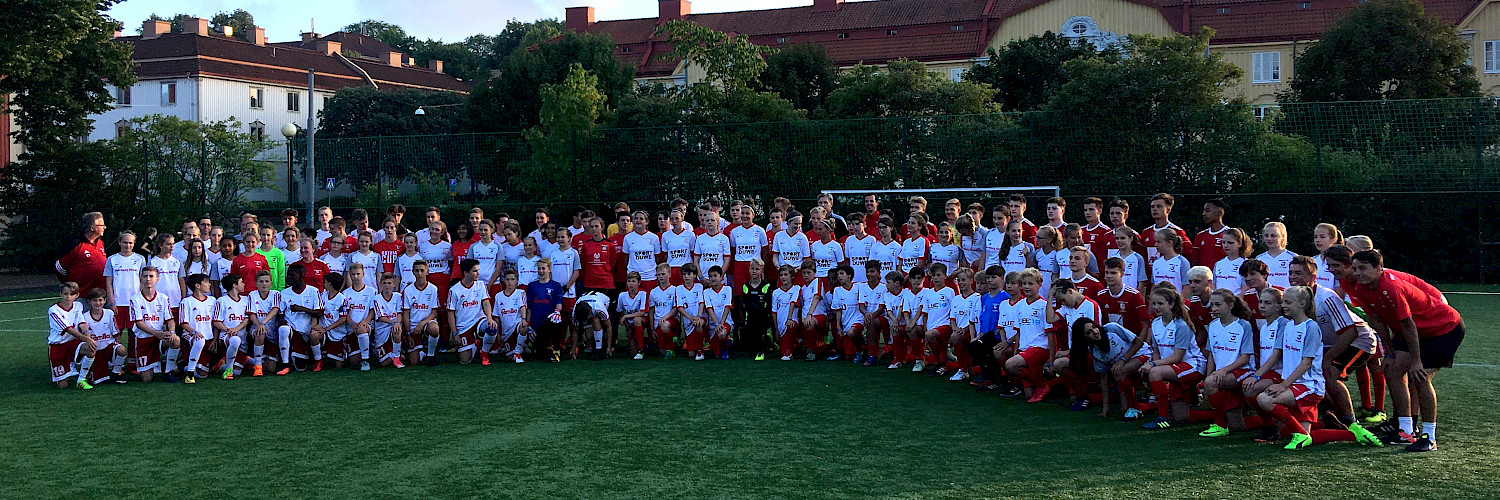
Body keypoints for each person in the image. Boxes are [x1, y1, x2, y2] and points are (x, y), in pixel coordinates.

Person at [1348, 250, 1463, 452]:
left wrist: (1416, 360)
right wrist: (1389, 354)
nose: (1357, 273)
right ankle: (1406, 431)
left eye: (1363, 268)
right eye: (1355, 268)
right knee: (1391, 371)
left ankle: (1429, 437)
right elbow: (1377, 321)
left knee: (1420, 377)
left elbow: (1408, 324)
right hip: (1412, 332)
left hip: (1443, 329)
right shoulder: (1362, 287)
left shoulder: (1391, 286)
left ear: (1379, 268)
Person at [1256, 286, 1381, 450]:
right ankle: (1350, 434)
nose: (1283, 306)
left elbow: (1306, 363)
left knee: (1264, 399)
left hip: (1309, 386)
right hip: (1294, 384)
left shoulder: (1311, 327)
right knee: (1290, 432)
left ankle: (1304, 433)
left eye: (1287, 302)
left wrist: (1283, 385)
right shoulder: (1286, 326)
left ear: (1301, 304)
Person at [1288, 255, 1377, 443]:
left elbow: (1350, 331)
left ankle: (1351, 422)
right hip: (1328, 343)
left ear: (1313, 276)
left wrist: (1328, 358)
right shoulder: (1294, 296)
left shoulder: (1326, 296)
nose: (1293, 277)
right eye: (1290, 273)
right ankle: (1332, 414)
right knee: (1314, 378)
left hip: (1359, 340)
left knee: (1330, 374)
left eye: (1298, 273)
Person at [1138, 285, 1205, 430]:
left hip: (1193, 365)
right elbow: (1156, 351)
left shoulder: (1181, 325)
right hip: (1174, 368)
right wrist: (1155, 363)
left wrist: (1154, 365)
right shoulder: (1155, 324)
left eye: (1160, 303)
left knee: (1154, 372)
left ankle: (1163, 418)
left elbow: (1177, 356)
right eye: (1154, 303)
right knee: (1182, 418)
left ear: (1171, 304)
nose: (1156, 307)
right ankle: (1216, 415)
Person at [1197, 289, 1256, 438]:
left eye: (1218, 304)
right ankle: (1262, 422)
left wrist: (1222, 372)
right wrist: (1209, 375)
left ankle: (1219, 425)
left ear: (1230, 305)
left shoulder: (1243, 325)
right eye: (1212, 305)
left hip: (1242, 371)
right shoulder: (1213, 325)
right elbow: (1212, 355)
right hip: (1222, 374)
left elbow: (1245, 357)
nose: (1214, 309)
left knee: (1212, 383)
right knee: (1237, 427)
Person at [1044, 278, 1103, 409]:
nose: (1062, 303)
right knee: (1059, 364)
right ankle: (1079, 393)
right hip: (1076, 352)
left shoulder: (1090, 305)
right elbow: (1050, 319)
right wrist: (1049, 297)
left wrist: (1069, 352)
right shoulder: (1067, 308)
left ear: (1070, 291)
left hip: (1090, 351)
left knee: (1060, 363)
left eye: (1063, 299)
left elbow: (1094, 336)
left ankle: (1082, 395)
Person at [1069, 318, 1138, 419]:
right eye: (1089, 332)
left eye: (1094, 327)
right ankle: (1136, 406)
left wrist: (1123, 360)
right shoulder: (1093, 350)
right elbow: (1103, 377)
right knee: (1124, 409)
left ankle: (1135, 406)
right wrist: (1105, 408)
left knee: (1118, 372)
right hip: (1122, 368)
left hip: (1141, 356)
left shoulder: (1111, 328)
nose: (1095, 332)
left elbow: (1138, 342)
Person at [1003, 269, 1051, 402]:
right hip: (1025, 348)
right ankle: (1042, 382)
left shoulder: (1044, 305)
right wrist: (1016, 350)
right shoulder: (1020, 305)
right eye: (1024, 284)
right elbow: (1019, 331)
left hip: (1040, 347)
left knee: (1010, 365)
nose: (1026, 287)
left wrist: (1051, 356)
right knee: (1028, 395)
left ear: (1039, 284)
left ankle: (1042, 385)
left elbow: (1050, 334)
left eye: (1030, 284)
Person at [130, 266, 180, 383]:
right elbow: (139, 323)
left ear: (157, 279)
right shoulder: (135, 299)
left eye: (151, 276)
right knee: (147, 379)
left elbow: (170, 319)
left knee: (175, 340)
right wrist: (157, 334)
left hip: (159, 338)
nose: (148, 279)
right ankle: (160, 363)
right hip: (143, 340)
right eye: (145, 276)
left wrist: (171, 332)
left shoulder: (163, 298)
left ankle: (169, 371)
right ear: (140, 278)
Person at [448, 259, 497, 366]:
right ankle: (476, 343)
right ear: (466, 273)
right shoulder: (454, 290)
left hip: (479, 321)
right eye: (475, 271)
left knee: (492, 327)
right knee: (465, 361)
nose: (478, 273)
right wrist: (454, 333)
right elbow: (450, 313)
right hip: (463, 326)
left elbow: (486, 303)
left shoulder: (480, 285)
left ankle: (484, 353)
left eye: (478, 270)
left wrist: (489, 318)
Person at [47, 282, 94, 389]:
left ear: (77, 295)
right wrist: (86, 339)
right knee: (63, 386)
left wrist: (88, 335)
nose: (68, 297)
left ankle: (81, 379)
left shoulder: (78, 305)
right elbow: (68, 329)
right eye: (65, 294)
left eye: (72, 294)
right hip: (58, 347)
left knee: (91, 348)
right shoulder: (53, 310)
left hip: (73, 343)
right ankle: (68, 370)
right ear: (61, 294)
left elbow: (82, 322)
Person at [281, 264, 325, 372]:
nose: (288, 278)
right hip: (293, 332)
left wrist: (302, 309)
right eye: (288, 275)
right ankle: (285, 364)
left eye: (291, 275)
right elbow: (280, 314)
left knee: (301, 367)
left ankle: (316, 359)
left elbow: (319, 312)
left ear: (301, 275)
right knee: (283, 329)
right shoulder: (284, 293)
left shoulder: (313, 291)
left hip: (308, 331)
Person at [80, 288, 129, 385]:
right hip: (95, 349)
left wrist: (119, 346)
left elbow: (116, 332)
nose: (97, 303)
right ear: (89, 302)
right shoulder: (85, 316)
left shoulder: (109, 313)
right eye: (94, 300)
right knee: (97, 380)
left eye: (100, 300)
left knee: (122, 350)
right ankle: (89, 371)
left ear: (105, 301)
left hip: (108, 346)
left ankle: (116, 373)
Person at [55, 212, 109, 297]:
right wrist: (70, 285)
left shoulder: (100, 243)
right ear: (92, 228)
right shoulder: (76, 245)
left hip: (99, 296)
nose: (104, 227)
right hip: (82, 295)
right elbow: (59, 267)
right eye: (101, 225)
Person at [246, 271, 289, 375]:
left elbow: (275, 310)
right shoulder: (252, 295)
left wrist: (263, 322)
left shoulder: (275, 294)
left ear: (271, 283)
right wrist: (259, 325)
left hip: (272, 332)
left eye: (266, 281)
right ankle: (257, 367)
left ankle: (248, 361)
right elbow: (251, 314)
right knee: (260, 333)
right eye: (261, 281)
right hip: (257, 328)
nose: (264, 284)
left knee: (270, 368)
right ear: (256, 284)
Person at [177, 273, 217, 383]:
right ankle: (189, 373)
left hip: (208, 339)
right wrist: (194, 332)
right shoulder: (186, 302)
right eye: (206, 282)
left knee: (203, 374)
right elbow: (183, 323)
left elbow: (215, 322)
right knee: (199, 341)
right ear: (197, 285)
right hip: (191, 336)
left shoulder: (212, 301)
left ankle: (185, 365)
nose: (209, 284)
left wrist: (214, 339)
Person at [945, 267, 982, 381]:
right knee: (955, 336)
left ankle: (964, 369)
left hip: (972, 332)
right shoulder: (956, 299)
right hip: (959, 331)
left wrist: (964, 330)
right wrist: (956, 329)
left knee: (957, 337)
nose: (961, 283)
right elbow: (952, 318)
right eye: (959, 280)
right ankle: (964, 368)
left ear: (971, 280)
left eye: (963, 280)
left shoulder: (977, 297)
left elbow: (976, 319)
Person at [105, 231, 147, 332]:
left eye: (130, 243)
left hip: (134, 302)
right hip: (118, 302)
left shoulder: (140, 259)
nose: (127, 245)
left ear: (134, 243)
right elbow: (108, 282)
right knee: (116, 332)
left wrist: (141, 299)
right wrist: (111, 301)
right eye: (125, 242)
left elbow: (143, 281)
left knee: (134, 332)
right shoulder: (111, 259)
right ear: (119, 242)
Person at [210, 272, 250, 378]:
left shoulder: (245, 300)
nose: (244, 284)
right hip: (226, 337)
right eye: (241, 282)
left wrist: (237, 328)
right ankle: (228, 370)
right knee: (235, 340)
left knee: (238, 372)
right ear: (234, 285)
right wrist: (229, 330)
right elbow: (216, 321)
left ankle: (224, 364)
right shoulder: (222, 301)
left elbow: (247, 318)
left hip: (243, 338)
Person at [529, 258, 568, 362]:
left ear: (549, 269)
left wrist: (557, 312)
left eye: (543, 268)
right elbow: (529, 307)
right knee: (540, 356)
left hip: (549, 321)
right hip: (537, 322)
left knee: (557, 321)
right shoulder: (532, 286)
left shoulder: (556, 285)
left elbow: (559, 303)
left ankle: (556, 351)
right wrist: (528, 323)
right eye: (539, 269)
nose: (541, 271)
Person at [343, 263, 378, 371]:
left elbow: (372, 311)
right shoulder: (345, 293)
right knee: (353, 362)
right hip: (352, 327)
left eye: (358, 274)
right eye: (353, 274)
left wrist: (365, 321)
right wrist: (352, 324)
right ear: (350, 275)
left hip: (366, 325)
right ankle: (367, 349)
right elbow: (345, 313)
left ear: (363, 274)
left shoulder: (371, 291)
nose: (356, 277)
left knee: (362, 329)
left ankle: (365, 360)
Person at [490, 268, 529, 364]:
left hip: (517, 326)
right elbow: (496, 317)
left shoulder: (520, 293)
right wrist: (498, 334)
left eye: (512, 279)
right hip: (506, 332)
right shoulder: (498, 296)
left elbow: (523, 307)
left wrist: (524, 319)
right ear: (504, 281)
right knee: (510, 359)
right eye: (507, 279)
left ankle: (518, 351)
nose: (510, 282)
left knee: (524, 327)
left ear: (517, 281)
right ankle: (519, 348)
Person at [826, 265, 863, 362]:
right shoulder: (837, 290)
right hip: (846, 322)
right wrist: (838, 326)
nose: (839, 276)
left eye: (841, 273)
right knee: (848, 356)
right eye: (838, 274)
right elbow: (838, 310)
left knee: (852, 332)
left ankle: (860, 350)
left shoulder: (859, 287)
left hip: (859, 319)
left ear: (849, 275)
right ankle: (854, 349)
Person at [1140, 193, 1191, 261]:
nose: (1154, 209)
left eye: (1159, 206)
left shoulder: (1177, 232)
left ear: (1168, 209)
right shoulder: (1146, 232)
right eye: (1152, 207)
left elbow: (1188, 254)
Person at [370, 273, 406, 369]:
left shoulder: (398, 296)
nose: (387, 285)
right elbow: (380, 317)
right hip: (382, 331)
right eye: (384, 283)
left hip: (393, 327)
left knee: (397, 330)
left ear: (394, 284)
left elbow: (399, 313)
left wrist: (397, 323)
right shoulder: (376, 299)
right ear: (380, 284)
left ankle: (397, 358)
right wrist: (394, 322)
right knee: (385, 363)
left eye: (389, 283)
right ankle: (393, 351)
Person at [316, 272, 350, 371]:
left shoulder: (342, 299)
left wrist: (326, 329)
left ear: (330, 284)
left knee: (339, 366)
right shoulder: (322, 295)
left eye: (325, 282)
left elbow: (343, 318)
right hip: (324, 332)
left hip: (337, 334)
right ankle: (318, 360)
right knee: (314, 334)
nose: (323, 283)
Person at [579, 216, 620, 297]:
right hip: (590, 283)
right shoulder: (586, 245)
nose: (594, 229)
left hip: (606, 283)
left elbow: (613, 264)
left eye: (596, 226)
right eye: (591, 227)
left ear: (602, 227)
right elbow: (583, 263)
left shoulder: (609, 245)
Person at [675, 263, 709, 360]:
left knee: (698, 323)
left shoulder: (699, 287)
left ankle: (700, 350)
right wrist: (690, 318)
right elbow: (680, 307)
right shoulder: (679, 289)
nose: (686, 276)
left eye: (689, 274)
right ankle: (693, 347)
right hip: (688, 321)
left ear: (694, 275)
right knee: (690, 354)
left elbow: (701, 303)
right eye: (684, 274)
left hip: (700, 317)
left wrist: (698, 316)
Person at [797, 261, 829, 361]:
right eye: (804, 272)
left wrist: (809, 315)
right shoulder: (802, 288)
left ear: (814, 272)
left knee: (810, 323)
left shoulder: (817, 282)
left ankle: (812, 352)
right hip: (806, 317)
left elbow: (816, 297)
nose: (806, 275)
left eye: (809, 272)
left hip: (818, 315)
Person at [771, 265, 803, 362]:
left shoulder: (796, 288)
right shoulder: (776, 292)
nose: (783, 277)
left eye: (786, 275)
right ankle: (797, 343)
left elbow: (794, 303)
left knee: (790, 326)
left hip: (792, 321)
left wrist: (789, 319)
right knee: (781, 351)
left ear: (792, 276)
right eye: (781, 275)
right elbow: (774, 312)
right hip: (781, 325)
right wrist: (776, 329)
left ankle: (789, 352)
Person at [625, 211, 663, 291]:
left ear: (647, 221)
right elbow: (625, 257)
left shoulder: (654, 237)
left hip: (650, 276)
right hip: (633, 277)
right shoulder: (628, 238)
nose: (638, 220)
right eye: (636, 218)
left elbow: (657, 257)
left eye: (641, 218)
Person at [702, 266, 734, 360]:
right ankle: (727, 343)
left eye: (715, 276)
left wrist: (721, 324)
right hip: (713, 325)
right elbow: (709, 309)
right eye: (710, 276)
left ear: (721, 277)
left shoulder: (727, 289)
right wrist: (716, 323)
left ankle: (725, 347)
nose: (713, 278)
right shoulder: (707, 292)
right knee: (716, 355)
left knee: (721, 333)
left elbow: (727, 307)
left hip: (725, 323)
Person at [573, 289, 613, 359]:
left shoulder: (599, 308)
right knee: (589, 336)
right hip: (589, 301)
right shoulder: (575, 311)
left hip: (603, 301)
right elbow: (575, 330)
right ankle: (594, 345)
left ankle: (599, 350)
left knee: (596, 321)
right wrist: (573, 351)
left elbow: (608, 326)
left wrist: (609, 347)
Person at [618, 272, 650, 360]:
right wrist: (627, 328)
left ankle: (641, 350)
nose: (631, 284)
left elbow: (642, 313)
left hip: (643, 320)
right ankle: (641, 343)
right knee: (632, 352)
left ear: (639, 283)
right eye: (629, 281)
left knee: (637, 319)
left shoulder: (643, 293)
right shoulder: (622, 295)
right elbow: (620, 312)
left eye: (633, 281)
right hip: (630, 323)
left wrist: (625, 317)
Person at [149, 233, 185, 309]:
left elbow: (181, 281)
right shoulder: (153, 262)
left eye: (173, 244)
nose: (172, 246)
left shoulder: (177, 261)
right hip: (157, 302)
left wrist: (183, 298)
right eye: (168, 244)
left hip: (175, 302)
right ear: (160, 245)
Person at [1256, 222, 1296, 289]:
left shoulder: (1292, 257)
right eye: (1266, 235)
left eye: (1273, 235)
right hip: (1266, 296)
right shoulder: (1259, 259)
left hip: (1288, 296)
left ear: (1282, 236)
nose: (1269, 238)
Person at [1213, 227, 1252, 295]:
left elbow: (1245, 288)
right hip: (1219, 302)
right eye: (1224, 242)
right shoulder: (1218, 264)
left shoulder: (1246, 264)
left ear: (1239, 244)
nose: (1226, 245)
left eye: (1230, 243)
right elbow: (1214, 285)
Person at [1108, 226, 1148, 291]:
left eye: (1123, 238)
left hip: (1131, 296)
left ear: (1131, 238)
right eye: (1117, 238)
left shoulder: (1138, 258)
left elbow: (1141, 282)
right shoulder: (1113, 257)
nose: (1119, 241)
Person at [1193, 199, 1229, 266]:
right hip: (1203, 275)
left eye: (1208, 211)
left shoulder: (1230, 234)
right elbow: (1194, 261)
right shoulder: (1200, 236)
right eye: (1203, 211)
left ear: (1219, 212)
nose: (1203, 214)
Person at [1311, 223, 1346, 293]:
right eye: (1315, 237)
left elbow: (1340, 293)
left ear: (1333, 239)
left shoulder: (1339, 262)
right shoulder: (1312, 260)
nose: (1318, 240)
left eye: (1322, 237)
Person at [1080, 198, 1112, 267]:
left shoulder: (1106, 231)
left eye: (1091, 209)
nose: (1087, 212)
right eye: (1085, 210)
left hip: (1100, 273)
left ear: (1099, 211)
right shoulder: (1080, 231)